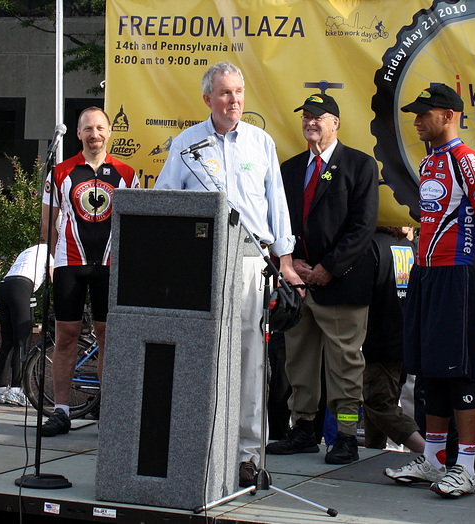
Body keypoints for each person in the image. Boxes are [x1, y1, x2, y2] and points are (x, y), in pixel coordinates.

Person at [155, 62, 303, 487]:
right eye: (225, 93)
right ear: (207, 99)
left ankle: (247, 456)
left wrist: (286, 262)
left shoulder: (261, 143)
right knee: (203, 357)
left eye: (239, 92)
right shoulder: (186, 145)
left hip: (251, 261)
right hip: (203, 261)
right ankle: (203, 450)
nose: (234, 100)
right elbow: (167, 202)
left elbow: (277, 202)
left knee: (252, 362)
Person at [384, 84, 475, 498]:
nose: (416, 121)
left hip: (458, 275)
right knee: (430, 369)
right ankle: (434, 461)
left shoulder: (465, 160)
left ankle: (465, 467)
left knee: (458, 371)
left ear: (448, 115)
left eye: (424, 114)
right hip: (427, 274)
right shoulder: (431, 160)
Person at [268, 93, 379, 464]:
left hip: (342, 284)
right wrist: (292, 261)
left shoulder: (360, 165)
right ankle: (302, 429)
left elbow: (362, 227)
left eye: (319, 117)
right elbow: (279, 221)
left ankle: (346, 435)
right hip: (298, 284)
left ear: (336, 123)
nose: (310, 122)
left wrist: (328, 267)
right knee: (297, 363)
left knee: (345, 367)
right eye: (306, 117)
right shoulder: (290, 168)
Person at [40, 107, 139, 436]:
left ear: (109, 132)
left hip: (110, 264)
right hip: (70, 263)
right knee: (66, 338)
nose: (94, 134)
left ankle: (108, 413)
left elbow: (134, 224)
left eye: (100, 128)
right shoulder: (61, 172)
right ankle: (62, 411)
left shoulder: (126, 173)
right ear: (78, 133)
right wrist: (49, 261)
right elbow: (47, 223)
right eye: (87, 129)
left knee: (107, 338)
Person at [362, 226, 424, 453]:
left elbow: (364, 294)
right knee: (378, 400)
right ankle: (373, 451)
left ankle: (427, 450)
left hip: (379, 338)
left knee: (379, 403)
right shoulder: (411, 247)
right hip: (405, 338)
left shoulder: (371, 245)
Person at [0, 244, 52, 406]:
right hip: (21, 286)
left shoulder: (30, 250)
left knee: (7, 342)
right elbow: (54, 278)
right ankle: (16, 390)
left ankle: (0, 390)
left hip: (5, 285)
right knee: (21, 342)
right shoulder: (52, 251)